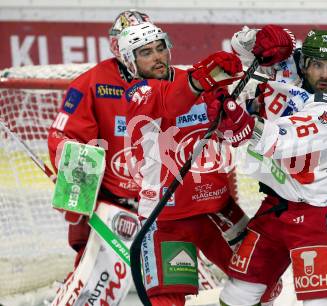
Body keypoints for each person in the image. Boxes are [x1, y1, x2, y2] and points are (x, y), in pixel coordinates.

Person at [46, 10, 244, 305]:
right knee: (88, 296)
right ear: (122, 49)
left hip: (183, 203)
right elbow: (66, 138)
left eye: (157, 45)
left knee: (246, 281)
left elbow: (219, 131)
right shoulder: (92, 83)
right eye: (142, 48)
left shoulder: (179, 78)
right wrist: (77, 193)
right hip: (119, 208)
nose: (154, 55)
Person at [122, 23, 294, 305]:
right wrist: (200, 80)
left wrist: (248, 48)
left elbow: (240, 82)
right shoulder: (138, 93)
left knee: (262, 284)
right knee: (166, 299)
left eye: (160, 48)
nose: (156, 57)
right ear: (131, 61)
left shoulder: (196, 77)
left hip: (218, 207)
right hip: (167, 216)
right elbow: (172, 103)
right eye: (145, 53)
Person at [204, 28, 327, 306]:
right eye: (317, 65)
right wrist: (262, 38)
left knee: (321, 303)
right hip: (274, 209)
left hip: (316, 215)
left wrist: (244, 123)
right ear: (303, 62)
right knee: (237, 294)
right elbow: (241, 47)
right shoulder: (289, 65)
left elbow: (279, 140)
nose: (324, 75)